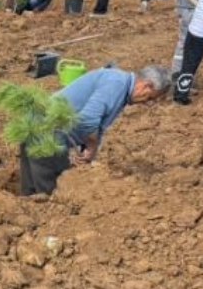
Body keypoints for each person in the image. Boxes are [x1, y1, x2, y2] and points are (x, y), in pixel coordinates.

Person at [16, 66, 172, 195]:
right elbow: (88, 119)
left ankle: (30, 206)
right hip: (48, 129)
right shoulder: (116, 84)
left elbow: (94, 120)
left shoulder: (119, 82)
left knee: (32, 181)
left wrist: (85, 149)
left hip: (37, 121)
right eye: (150, 97)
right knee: (53, 184)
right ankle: (46, 220)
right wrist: (91, 146)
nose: (148, 103)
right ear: (146, 85)